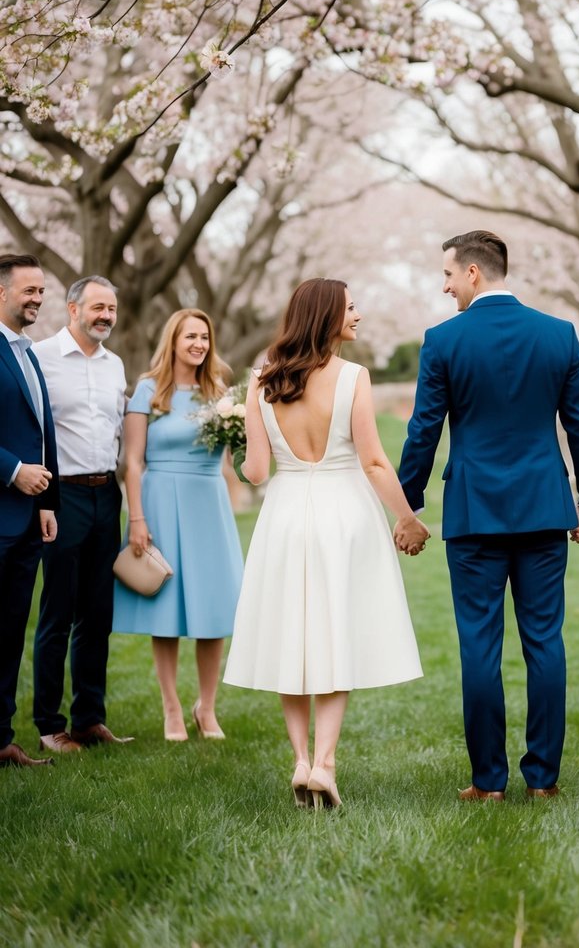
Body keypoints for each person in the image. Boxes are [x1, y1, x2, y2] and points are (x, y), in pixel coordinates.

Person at [397, 231, 579, 802]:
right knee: (545, 642)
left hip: (474, 513)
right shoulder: (559, 335)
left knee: (479, 647)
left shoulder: (443, 340)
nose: (443, 287)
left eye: (446, 275)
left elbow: (424, 430)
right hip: (543, 508)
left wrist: (407, 501)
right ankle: (544, 780)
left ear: (472, 273)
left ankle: (488, 782)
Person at [224, 279, 425, 810]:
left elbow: (257, 470)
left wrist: (238, 455)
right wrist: (407, 519)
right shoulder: (353, 376)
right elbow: (375, 461)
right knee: (337, 634)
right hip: (344, 513)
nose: (358, 314)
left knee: (294, 637)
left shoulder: (263, 379)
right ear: (327, 315)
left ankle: (299, 761)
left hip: (286, 515)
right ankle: (326, 765)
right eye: (350, 307)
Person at [113, 309, 243, 742]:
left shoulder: (219, 392)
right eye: (191, 336)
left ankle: (206, 708)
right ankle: (171, 707)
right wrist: (137, 518)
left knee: (213, 609)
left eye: (204, 337)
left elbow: (231, 456)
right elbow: (132, 461)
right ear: (173, 340)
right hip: (160, 500)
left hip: (208, 502)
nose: (199, 344)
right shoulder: (149, 390)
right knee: (164, 611)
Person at [32, 276, 130, 754]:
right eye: (97, 307)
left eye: (111, 308)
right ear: (72, 308)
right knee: (58, 612)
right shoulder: (41, 357)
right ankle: (50, 724)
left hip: (104, 494)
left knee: (98, 613)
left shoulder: (115, 365)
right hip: (62, 494)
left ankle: (91, 718)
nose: (105, 316)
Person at [0, 253, 59, 767]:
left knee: (10, 630)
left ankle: (0, 739)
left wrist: (45, 500)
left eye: (41, 291)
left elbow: (43, 432)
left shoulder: (29, 353)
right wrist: (11, 470)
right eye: (29, 290)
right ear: (2, 292)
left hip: (25, 520)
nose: (38, 298)